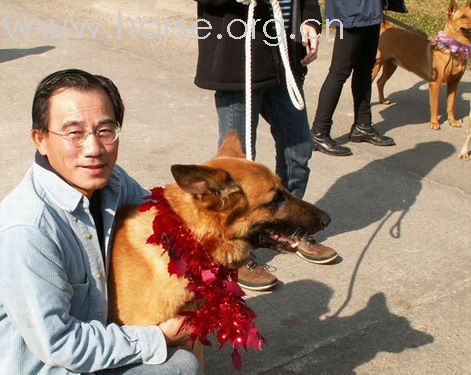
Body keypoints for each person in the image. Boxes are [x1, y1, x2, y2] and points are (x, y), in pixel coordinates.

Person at [0, 69, 200, 375]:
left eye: (105, 131)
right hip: (48, 365)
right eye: (74, 133)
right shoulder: (28, 230)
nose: (93, 149)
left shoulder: (112, 183)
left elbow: (166, 220)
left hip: (90, 338)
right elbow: (60, 344)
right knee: (179, 365)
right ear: (40, 139)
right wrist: (158, 337)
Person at [194, 0, 339, 292]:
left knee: (298, 147)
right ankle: (238, 250)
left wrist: (309, 21)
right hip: (239, 61)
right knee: (239, 163)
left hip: (283, 60)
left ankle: (290, 228)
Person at [310, 0, 396, 157]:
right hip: (350, 10)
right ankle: (319, 131)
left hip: (372, 9)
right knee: (339, 71)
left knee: (365, 68)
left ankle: (362, 125)